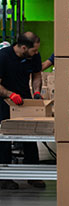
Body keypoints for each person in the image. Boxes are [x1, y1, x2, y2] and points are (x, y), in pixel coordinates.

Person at [0, 32, 46, 190]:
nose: (36, 53)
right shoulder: (3, 57)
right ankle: (4, 178)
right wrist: (10, 94)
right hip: (4, 100)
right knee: (5, 138)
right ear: (24, 47)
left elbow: (37, 75)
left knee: (30, 136)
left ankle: (34, 175)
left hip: (24, 100)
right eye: (34, 50)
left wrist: (37, 92)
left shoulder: (33, 56)